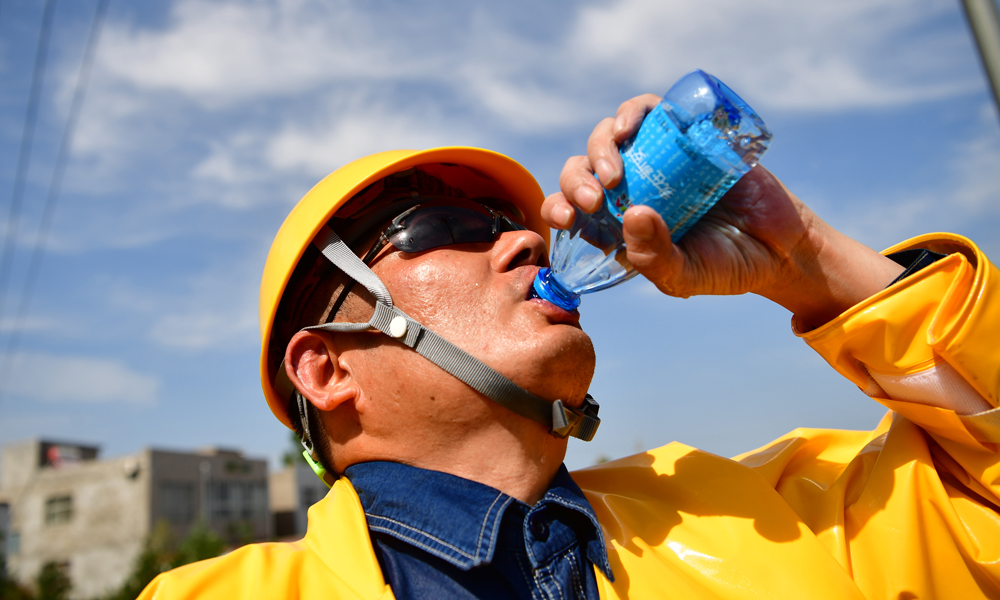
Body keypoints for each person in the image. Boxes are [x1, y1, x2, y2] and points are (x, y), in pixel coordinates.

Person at [139, 95, 1000, 599]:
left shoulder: (765, 516)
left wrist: (807, 259)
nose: (528, 243)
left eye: (513, 227)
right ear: (326, 367)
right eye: (443, 227)